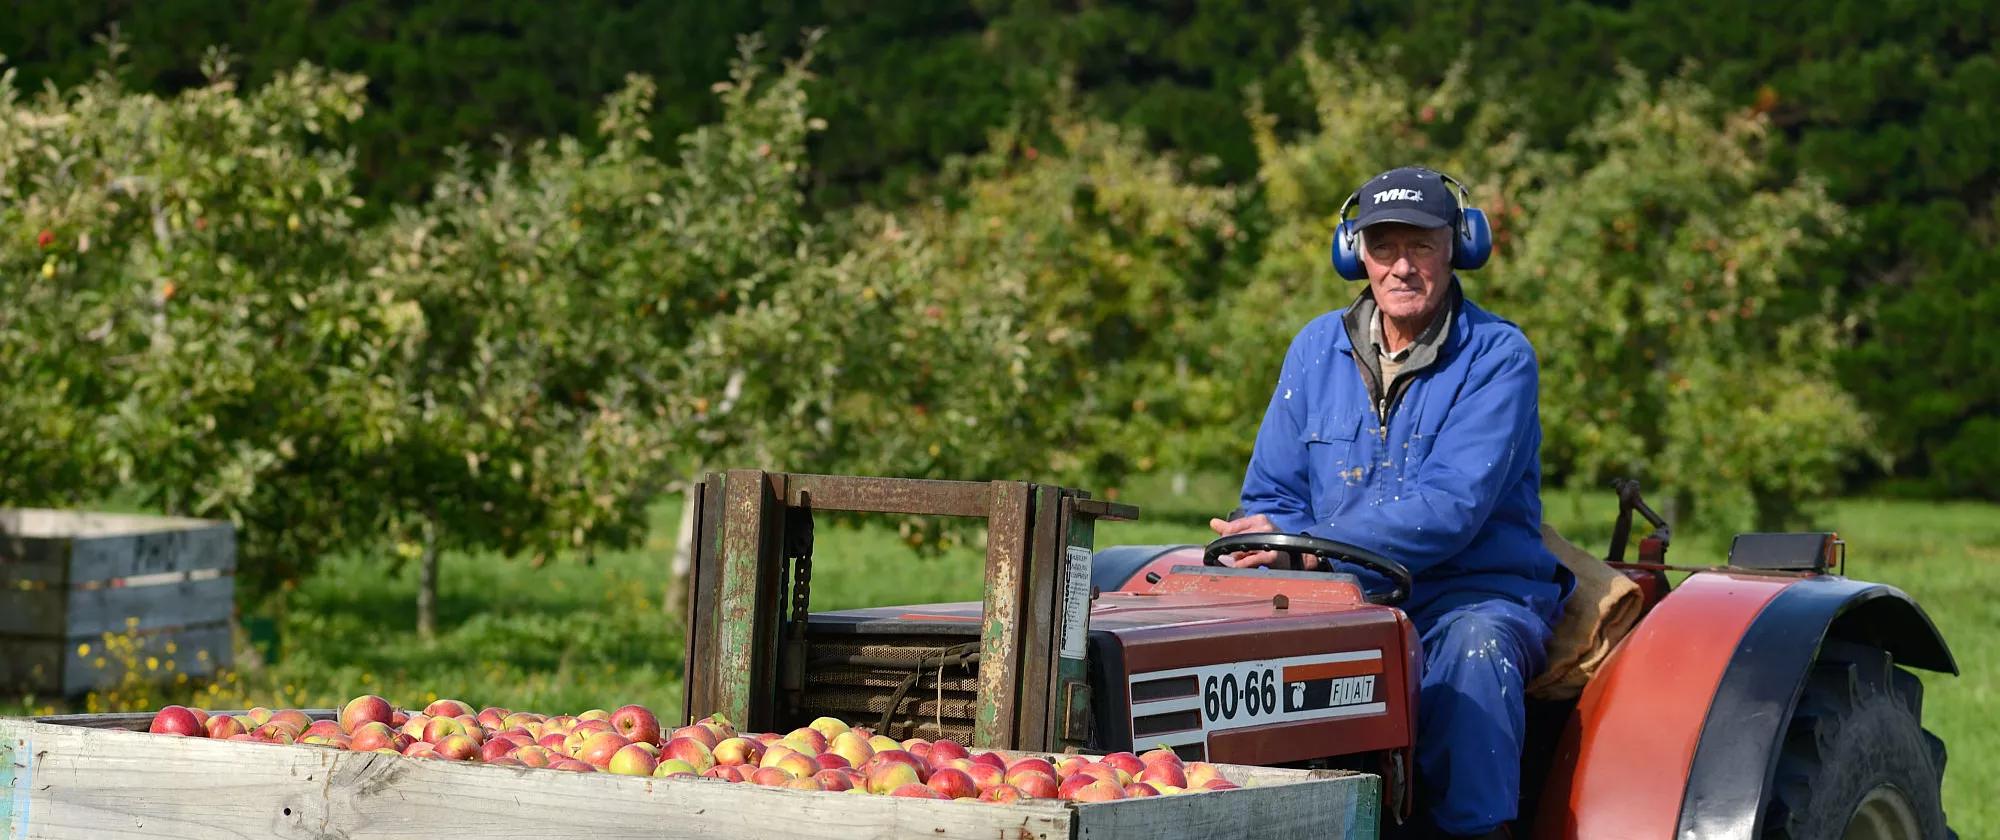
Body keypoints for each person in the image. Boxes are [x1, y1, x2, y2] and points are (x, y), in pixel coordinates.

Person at [1211, 166, 1573, 840]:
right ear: (1357, 255)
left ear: (1459, 246)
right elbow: (1273, 494)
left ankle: (1473, 830)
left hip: (1469, 594)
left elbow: (1451, 507)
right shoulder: (1315, 349)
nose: (1401, 267)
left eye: (1421, 246)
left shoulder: (1499, 356)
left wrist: (1312, 546)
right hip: (1338, 594)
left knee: (1476, 651)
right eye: (1383, 248)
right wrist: (1274, 538)